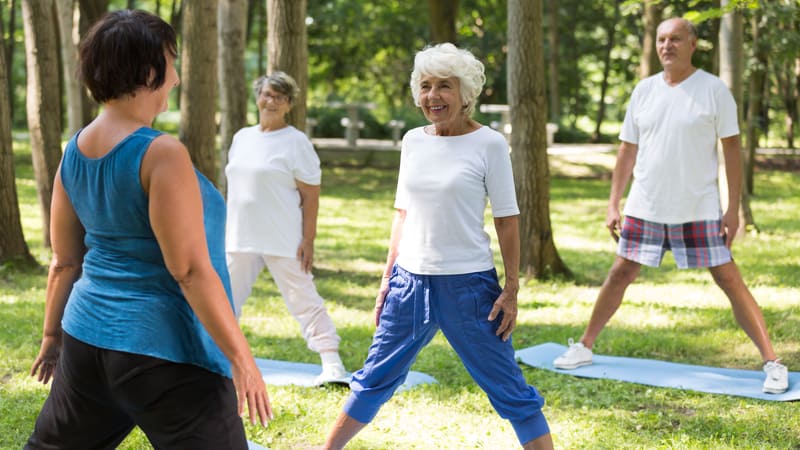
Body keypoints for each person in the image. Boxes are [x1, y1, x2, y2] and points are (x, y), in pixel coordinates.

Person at [26, 10, 272, 450]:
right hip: (166, 350)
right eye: (172, 62)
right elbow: (190, 270)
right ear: (148, 70)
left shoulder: (74, 150)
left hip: (85, 337)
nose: (176, 78)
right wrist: (242, 359)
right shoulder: (162, 154)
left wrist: (52, 337)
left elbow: (64, 261)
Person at [322, 43, 554, 450]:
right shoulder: (413, 141)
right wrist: (385, 281)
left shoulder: (490, 144)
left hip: (470, 290)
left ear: (465, 94)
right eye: (426, 86)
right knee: (374, 377)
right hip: (409, 284)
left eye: (444, 86)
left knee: (509, 389)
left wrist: (512, 289)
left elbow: (506, 218)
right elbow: (402, 213)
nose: (433, 96)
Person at [553, 17, 789, 394]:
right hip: (646, 206)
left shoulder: (714, 91)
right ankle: (584, 346)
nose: (667, 45)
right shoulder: (644, 91)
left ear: (693, 44)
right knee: (619, 273)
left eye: (676, 39)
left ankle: (772, 362)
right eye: (662, 39)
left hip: (698, 207)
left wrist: (733, 209)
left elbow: (731, 152)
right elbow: (627, 150)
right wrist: (614, 203)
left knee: (729, 278)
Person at [225, 71, 349, 385]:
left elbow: (311, 195)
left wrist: (308, 239)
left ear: (289, 104)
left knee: (304, 298)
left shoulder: (296, 143)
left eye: (280, 97)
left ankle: (332, 363)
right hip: (239, 236)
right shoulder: (242, 138)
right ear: (258, 97)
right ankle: (218, 361)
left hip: (283, 237)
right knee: (224, 299)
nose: (272, 101)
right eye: (267, 94)